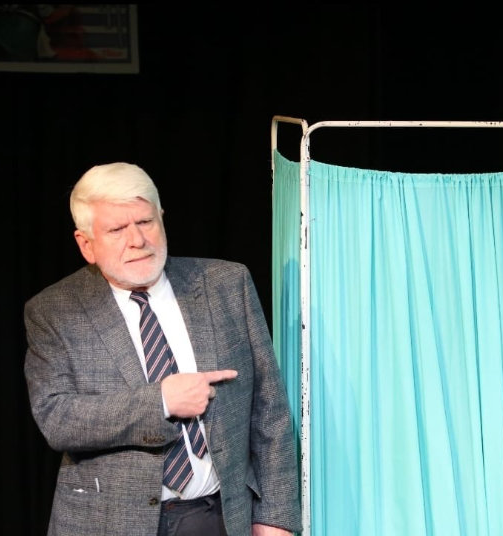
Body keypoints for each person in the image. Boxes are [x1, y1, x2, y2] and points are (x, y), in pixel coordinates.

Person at [23, 162, 301, 535]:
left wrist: (275, 517)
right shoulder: (54, 310)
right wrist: (162, 402)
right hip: (108, 523)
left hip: (218, 517)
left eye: (145, 222)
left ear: (162, 218)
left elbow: (269, 410)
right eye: (117, 229)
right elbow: (57, 419)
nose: (137, 240)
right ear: (86, 244)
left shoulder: (226, 284)